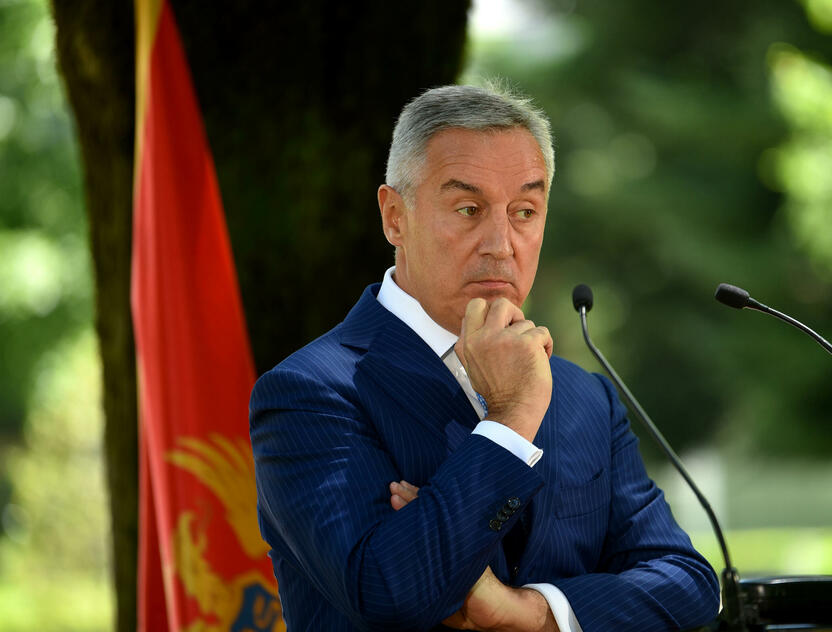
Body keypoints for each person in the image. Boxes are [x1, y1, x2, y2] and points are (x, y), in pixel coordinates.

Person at [249, 83, 720, 631]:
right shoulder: (308, 392)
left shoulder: (586, 396)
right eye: (469, 209)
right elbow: (388, 591)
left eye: (525, 211)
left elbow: (689, 582)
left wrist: (533, 613)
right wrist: (511, 421)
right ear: (394, 216)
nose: (501, 243)